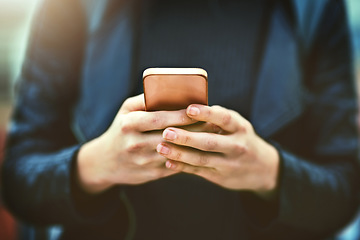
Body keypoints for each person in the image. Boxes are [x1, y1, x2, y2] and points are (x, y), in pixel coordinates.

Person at [2, 0, 360, 239]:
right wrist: (94, 165)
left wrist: (270, 171)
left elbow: (346, 189)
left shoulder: (312, 8)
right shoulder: (72, 7)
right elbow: (18, 182)